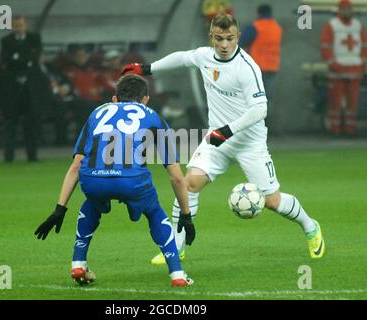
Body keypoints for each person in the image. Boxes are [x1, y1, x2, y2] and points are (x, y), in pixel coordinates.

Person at [121, 13, 325, 265]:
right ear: (212, 38)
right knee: (189, 183)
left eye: (230, 38)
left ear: (238, 37)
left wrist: (227, 131)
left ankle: (310, 225)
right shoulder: (205, 56)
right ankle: (177, 245)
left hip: (249, 142)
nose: (225, 44)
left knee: (272, 201)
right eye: (219, 39)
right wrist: (147, 69)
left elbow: (260, 110)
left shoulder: (247, 68)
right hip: (216, 139)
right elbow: (183, 58)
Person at [34, 74, 195, 287]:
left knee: (91, 204)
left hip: (93, 180)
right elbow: (175, 176)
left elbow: (76, 166)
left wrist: (59, 209)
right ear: (146, 99)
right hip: (132, 180)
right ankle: (177, 275)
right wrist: (185, 215)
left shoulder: (96, 113)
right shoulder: (154, 116)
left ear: (114, 99)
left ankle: (78, 263)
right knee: (154, 211)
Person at [0, 15, 48, 162]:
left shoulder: (35, 38)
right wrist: (25, 60)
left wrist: (18, 58)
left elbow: (35, 56)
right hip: (13, 90)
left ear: (25, 25)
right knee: (10, 123)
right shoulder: (6, 41)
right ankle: (8, 157)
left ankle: (32, 156)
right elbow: (7, 60)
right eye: (15, 25)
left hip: (30, 89)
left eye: (20, 25)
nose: (18, 28)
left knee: (31, 123)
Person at [321, 0, 367, 135]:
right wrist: (333, 64)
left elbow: (364, 47)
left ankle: (350, 129)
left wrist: (363, 64)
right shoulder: (332, 25)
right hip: (338, 70)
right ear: (339, 10)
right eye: (344, 9)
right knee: (335, 101)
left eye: (349, 9)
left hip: (355, 69)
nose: (347, 11)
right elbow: (325, 46)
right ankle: (334, 129)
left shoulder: (358, 26)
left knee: (353, 102)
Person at [240, 4, 282, 127]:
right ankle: (266, 126)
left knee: (252, 98)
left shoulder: (256, 27)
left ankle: (253, 127)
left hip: (257, 67)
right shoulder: (277, 27)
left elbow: (241, 42)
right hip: (272, 66)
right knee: (266, 98)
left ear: (258, 13)